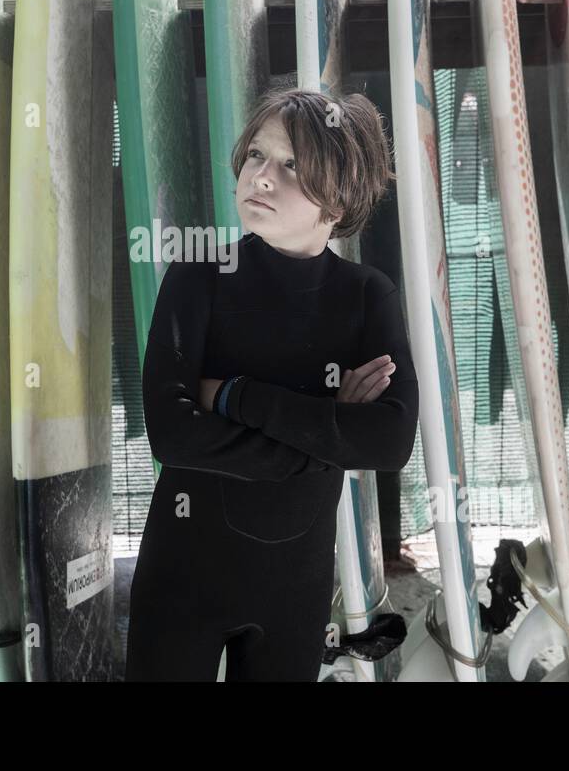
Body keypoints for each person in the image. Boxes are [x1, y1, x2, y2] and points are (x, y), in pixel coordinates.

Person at [125, 87, 420, 681]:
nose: (262, 177)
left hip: (296, 587)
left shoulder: (366, 297)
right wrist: (326, 430)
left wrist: (233, 396)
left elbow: (388, 445)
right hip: (180, 578)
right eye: (257, 155)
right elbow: (173, 436)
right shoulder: (199, 277)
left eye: (291, 165)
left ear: (338, 199)